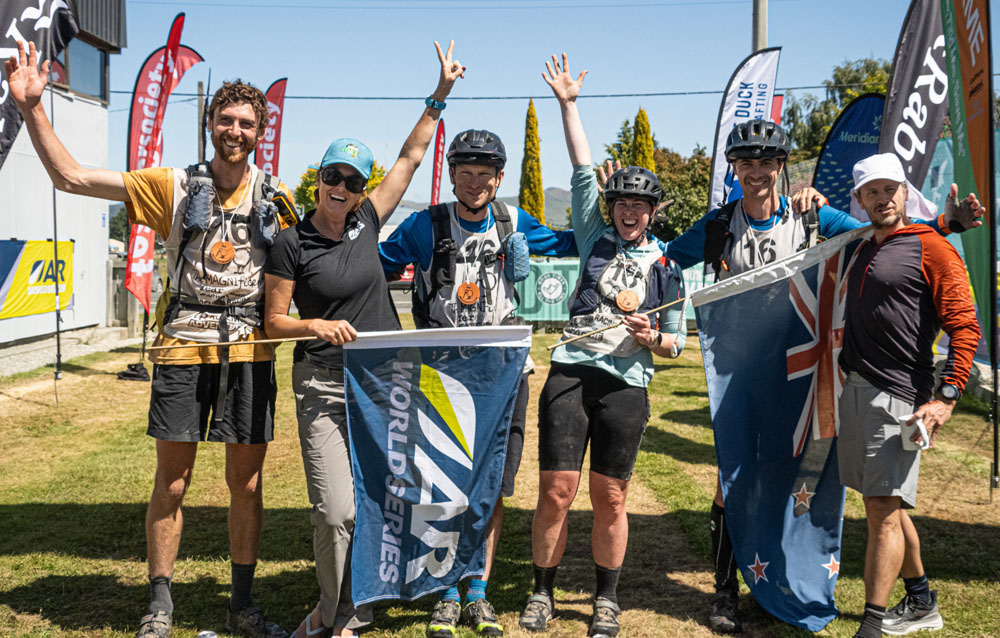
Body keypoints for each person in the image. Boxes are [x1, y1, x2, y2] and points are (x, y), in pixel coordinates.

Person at [6, 42, 295, 638]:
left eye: (246, 123)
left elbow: (309, 265)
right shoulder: (174, 185)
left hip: (249, 351)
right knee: (173, 481)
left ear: (260, 132)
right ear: (210, 123)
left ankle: (242, 606)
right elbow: (72, 177)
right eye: (226, 120)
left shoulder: (277, 198)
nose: (235, 131)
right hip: (183, 346)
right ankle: (160, 604)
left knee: (246, 484)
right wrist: (32, 107)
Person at [662, 118, 981, 633]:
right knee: (732, 480)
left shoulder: (813, 215)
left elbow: (883, 235)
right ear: (735, 168)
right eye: (747, 163)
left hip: (808, 375)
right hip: (743, 377)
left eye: (768, 162)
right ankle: (726, 593)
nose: (757, 172)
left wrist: (948, 224)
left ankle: (806, 580)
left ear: (781, 167)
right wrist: (642, 294)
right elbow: (663, 259)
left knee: (845, 487)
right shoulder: (718, 224)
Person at [263, 41, 463, 638]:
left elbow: (410, 155)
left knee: (384, 500)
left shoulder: (367, 221)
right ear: (318, 179)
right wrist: (314, 325)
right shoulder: (291, 243)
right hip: (323, 384)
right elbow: (273, 322)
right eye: (333, 176)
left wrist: (439, 94)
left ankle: (344, 606)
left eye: (353, 180)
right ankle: (341, 616)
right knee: (335, 511)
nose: (342, 187)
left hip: (382, 383)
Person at [378, 128, 576, 638]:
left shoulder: (514, 221)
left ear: (499, 178)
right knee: (443, 485)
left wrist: (601, 196)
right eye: (464, 173)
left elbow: (576, 241)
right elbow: (370, 265)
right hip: (441, 375)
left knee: (490, 489)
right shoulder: (425, 225)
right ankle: (446, 592)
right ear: (450, 175)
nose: (474, 183)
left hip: (503, 376)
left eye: (484, 174)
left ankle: (478, 590)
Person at [518, 53, 687, 638]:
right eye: (621, 204)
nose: (629, 212)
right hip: (571, 371)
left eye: (639, 205)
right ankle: (542, 592)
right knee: (556, 492)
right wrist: (569, 105)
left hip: (627, 383)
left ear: (653, 212)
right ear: (610, 209)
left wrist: (652, 337)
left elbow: (676, 345)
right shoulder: (595, 236)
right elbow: (582, 165)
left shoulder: (666, 265)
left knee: (611, 497)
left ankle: (606, 600)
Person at [838, 153, 980, 638]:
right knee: (885, 505)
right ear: (860, 200)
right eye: (872, 192)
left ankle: (871, 625)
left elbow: (965, 326)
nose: (883, 199)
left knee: (882, 511)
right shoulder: (861, 244)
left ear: (905, 192)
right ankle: (921, 601)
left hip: (900, 397)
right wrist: (945, 221)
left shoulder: (934, 248)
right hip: (856, 389)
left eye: (890, 189)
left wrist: (947, 397)